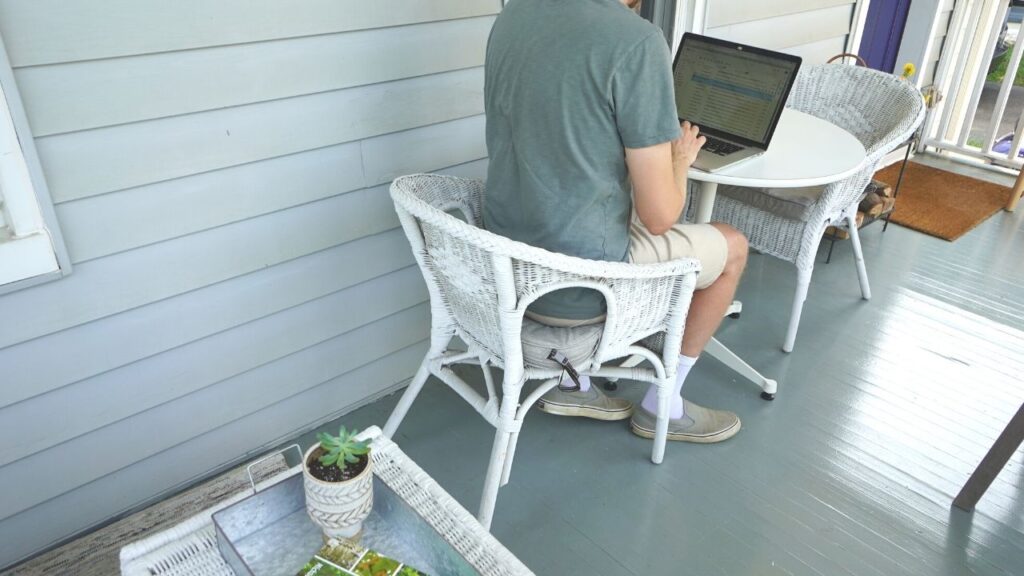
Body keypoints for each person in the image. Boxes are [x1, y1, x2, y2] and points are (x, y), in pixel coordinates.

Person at [483, 0, 748, 443]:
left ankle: (575, 385)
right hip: (581, 287)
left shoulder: (514, 14)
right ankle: (664, 403)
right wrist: (679, 160)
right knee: (733, 245)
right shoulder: (637, 41)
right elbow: (661, 217)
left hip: (507, 263)